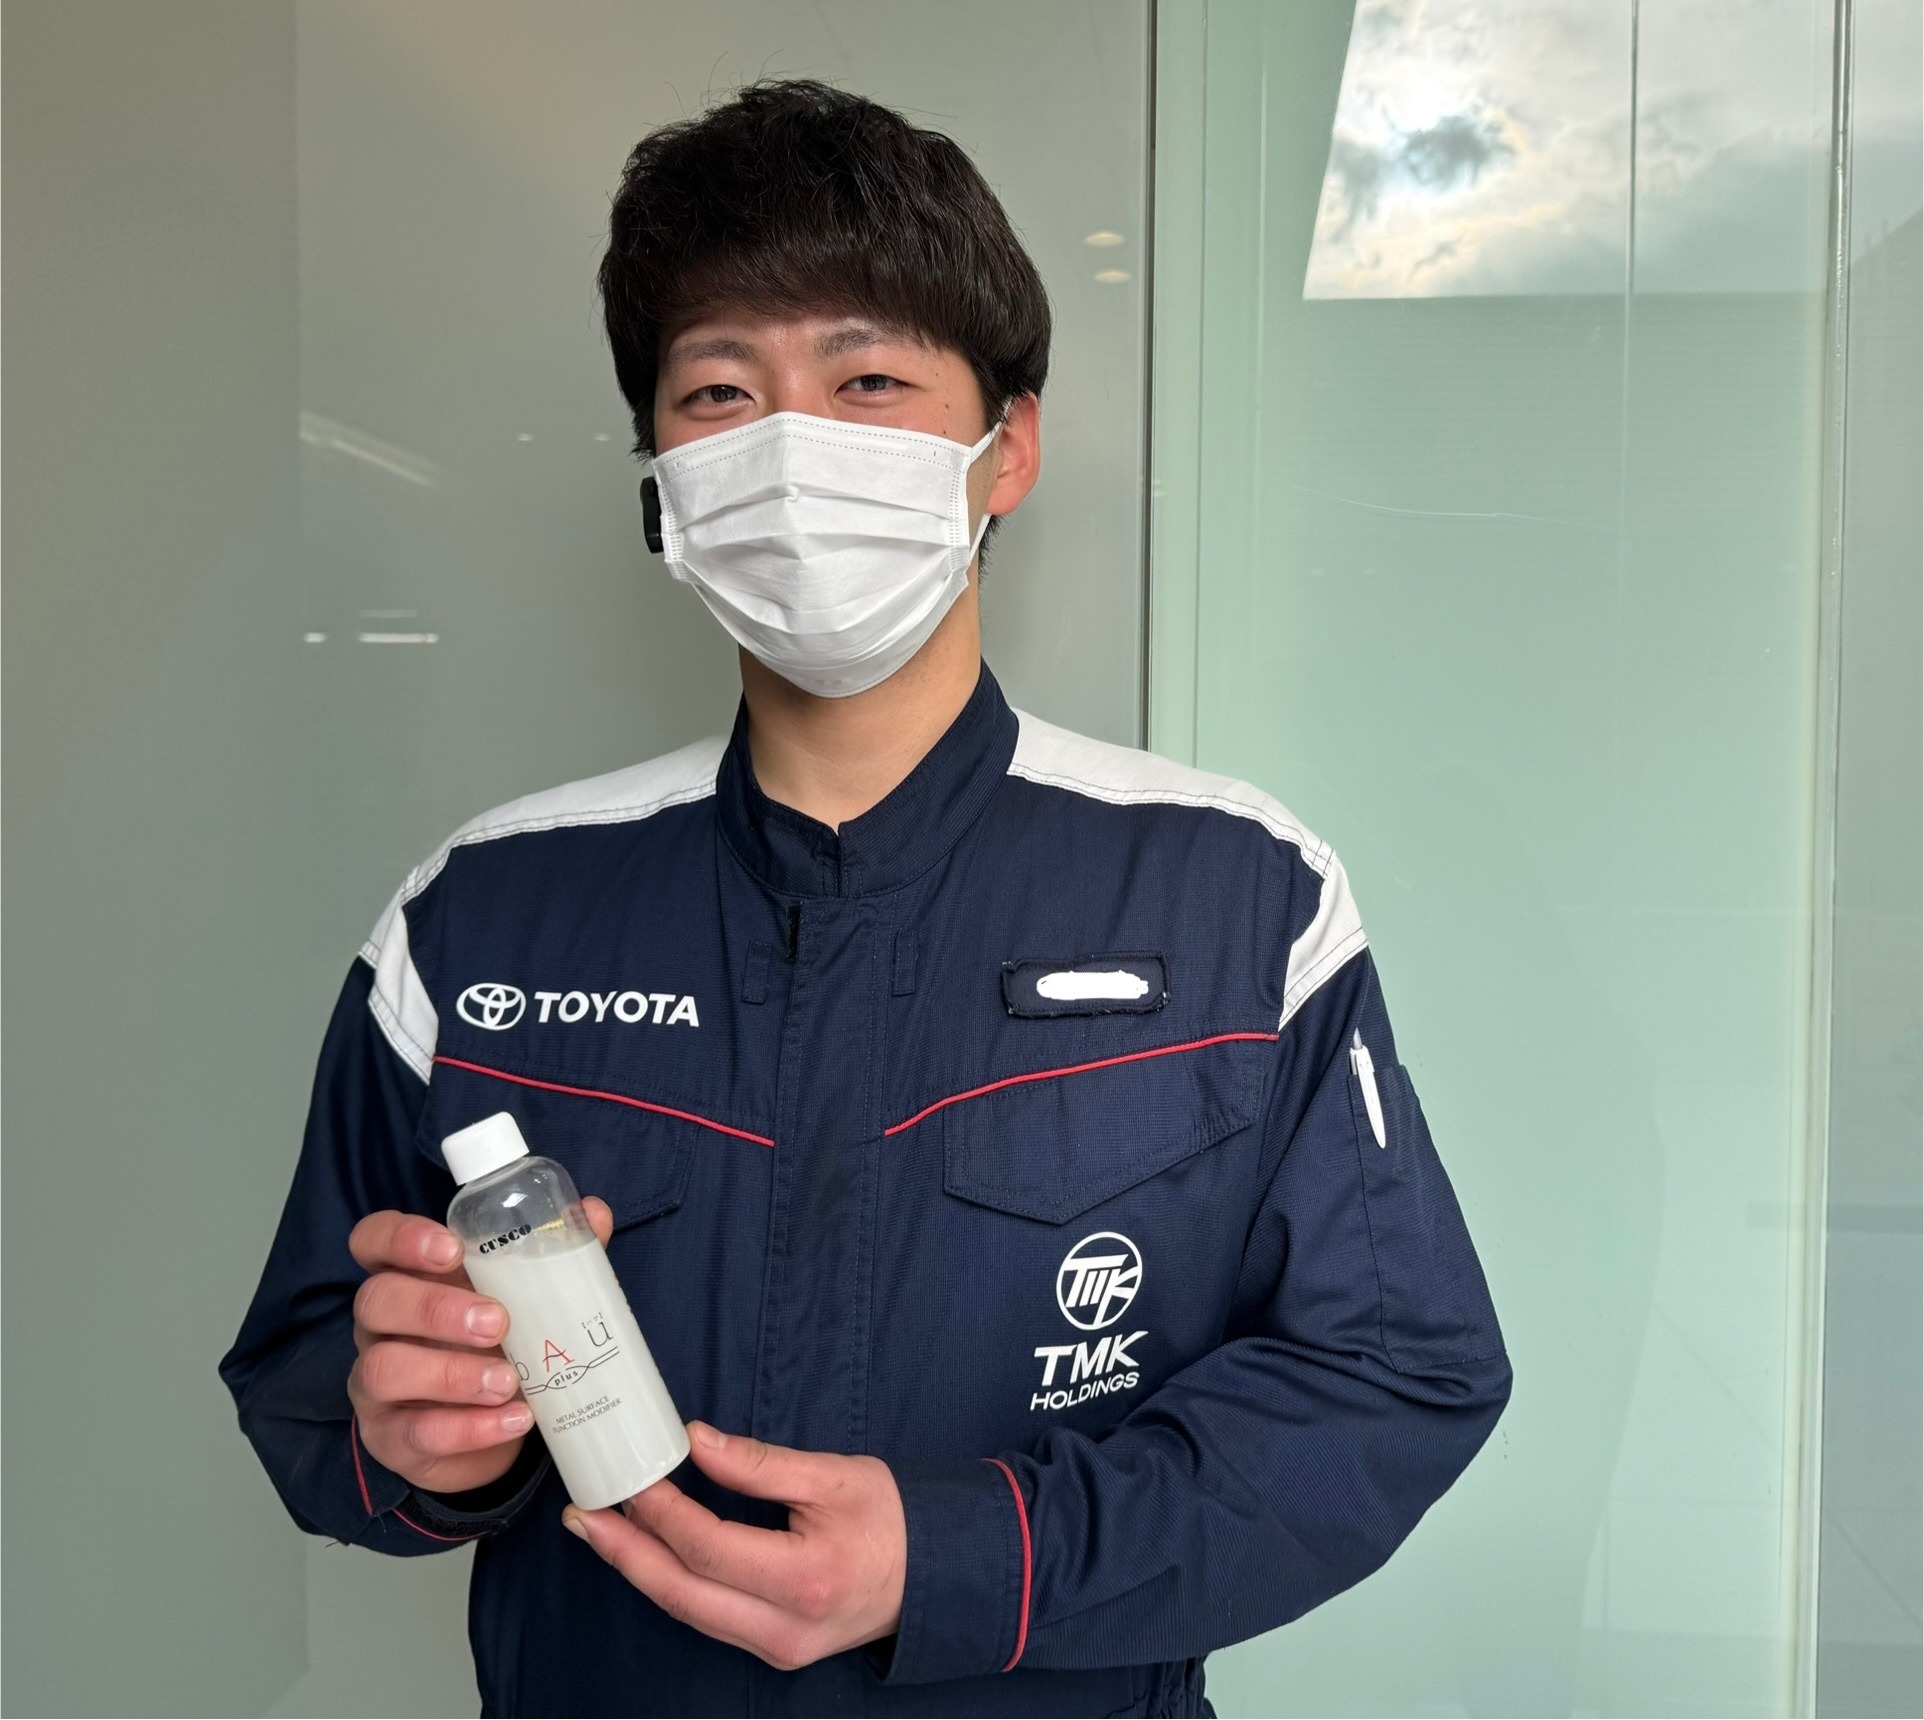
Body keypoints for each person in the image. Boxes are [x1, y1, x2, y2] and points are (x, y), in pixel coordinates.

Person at [223, 79, 1511, 1718]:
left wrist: (969, 1558)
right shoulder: (478, 922)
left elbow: (1394, 1378)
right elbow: (307, 1388)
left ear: (1008, 448)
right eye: (719, 391)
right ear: (662, 479)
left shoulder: (1237, 900)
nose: (790, 447)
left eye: (869, 380)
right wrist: (416, 1443)